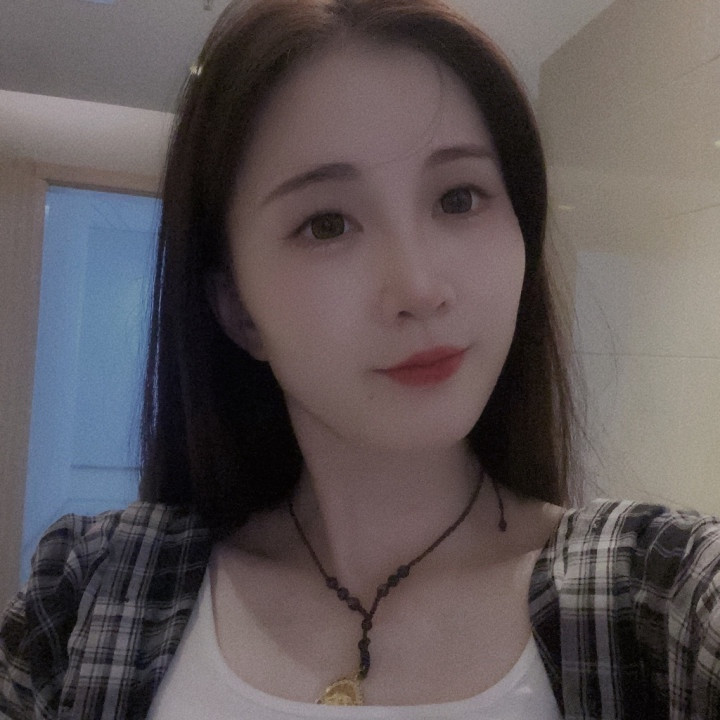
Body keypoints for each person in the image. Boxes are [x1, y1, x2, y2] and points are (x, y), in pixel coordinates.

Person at [2, 0, 720, 717]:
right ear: (236, 307)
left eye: (459, 198)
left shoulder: (656, 597)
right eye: (327, 224)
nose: (419, 288)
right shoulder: (87, 598)